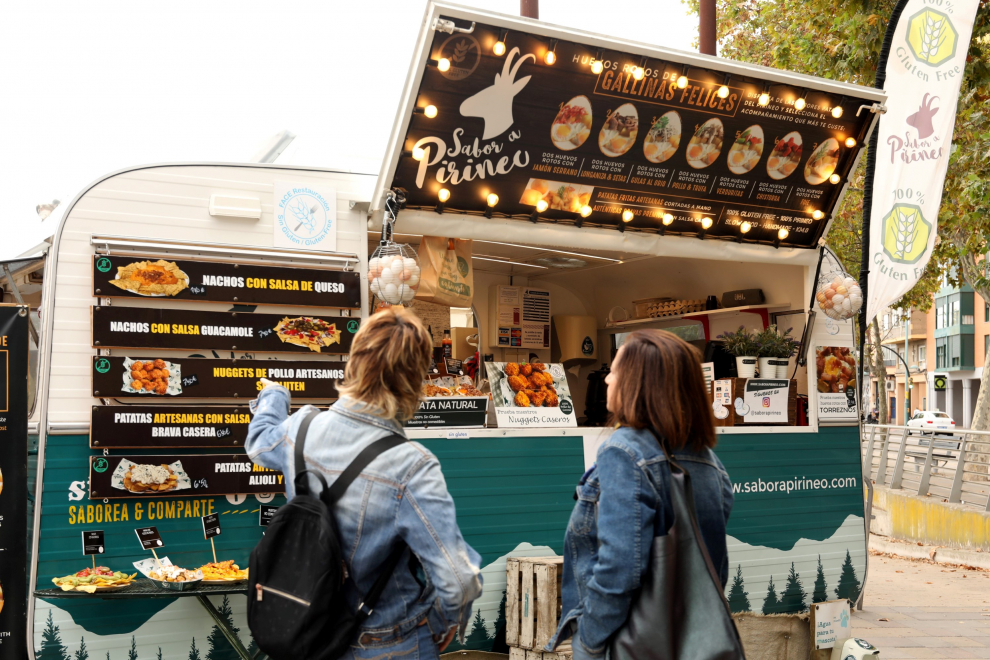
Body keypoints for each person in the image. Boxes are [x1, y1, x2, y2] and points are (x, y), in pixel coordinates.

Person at [246, 307, 482, 660]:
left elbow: (259, 441)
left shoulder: (301, 428)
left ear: (354, 360)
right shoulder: (411, 464)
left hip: (310, 633)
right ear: (414, 379)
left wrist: (274, 395)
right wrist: (441, 622)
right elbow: (459, 578)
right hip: (390, 643)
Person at [548, 330, 734, 660]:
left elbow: (619, 568)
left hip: (632, 642)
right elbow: (711, 566)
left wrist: (588, 642)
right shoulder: (708, 460)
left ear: (639, 382)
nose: (607, 380)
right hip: (696, 641)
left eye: (615, 372)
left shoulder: (624, 452)